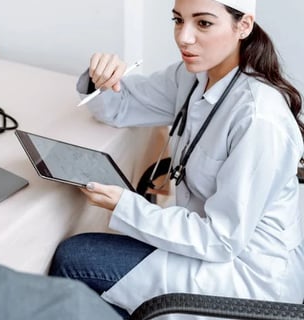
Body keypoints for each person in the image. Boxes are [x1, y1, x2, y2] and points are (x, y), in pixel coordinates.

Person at [48, 0, 304, 319]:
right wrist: (101, 77)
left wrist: (125, 206)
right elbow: (121, 106)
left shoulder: (258, 120)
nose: (184, 37)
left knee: (74, 258)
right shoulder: (194, 77)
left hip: (244, 277)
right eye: (178, 20)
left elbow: (221, 241)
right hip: (203, 244)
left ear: (244, 26)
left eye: (203, 23)